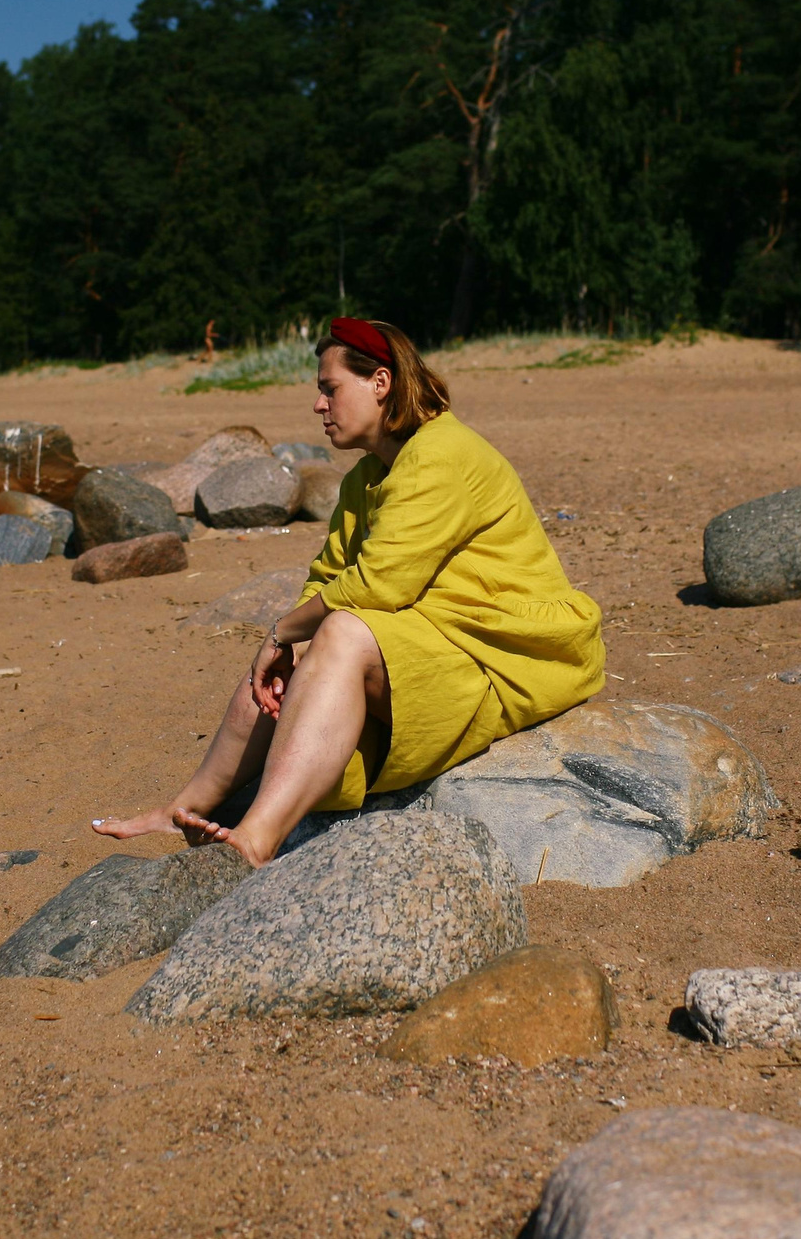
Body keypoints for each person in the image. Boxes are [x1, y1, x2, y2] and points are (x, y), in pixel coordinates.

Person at [94, 318, 603, 865]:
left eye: (329, 388)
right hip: (439, 635)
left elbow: (381, 585)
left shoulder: (441, 454)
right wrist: (286, 644)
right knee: (291, 654)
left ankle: (258, 838)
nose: (318, 405)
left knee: (338, 630)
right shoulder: (367, 477)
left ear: (380, 382)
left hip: (507, 651)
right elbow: (329, 574)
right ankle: (183, 812)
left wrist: (282, 631)